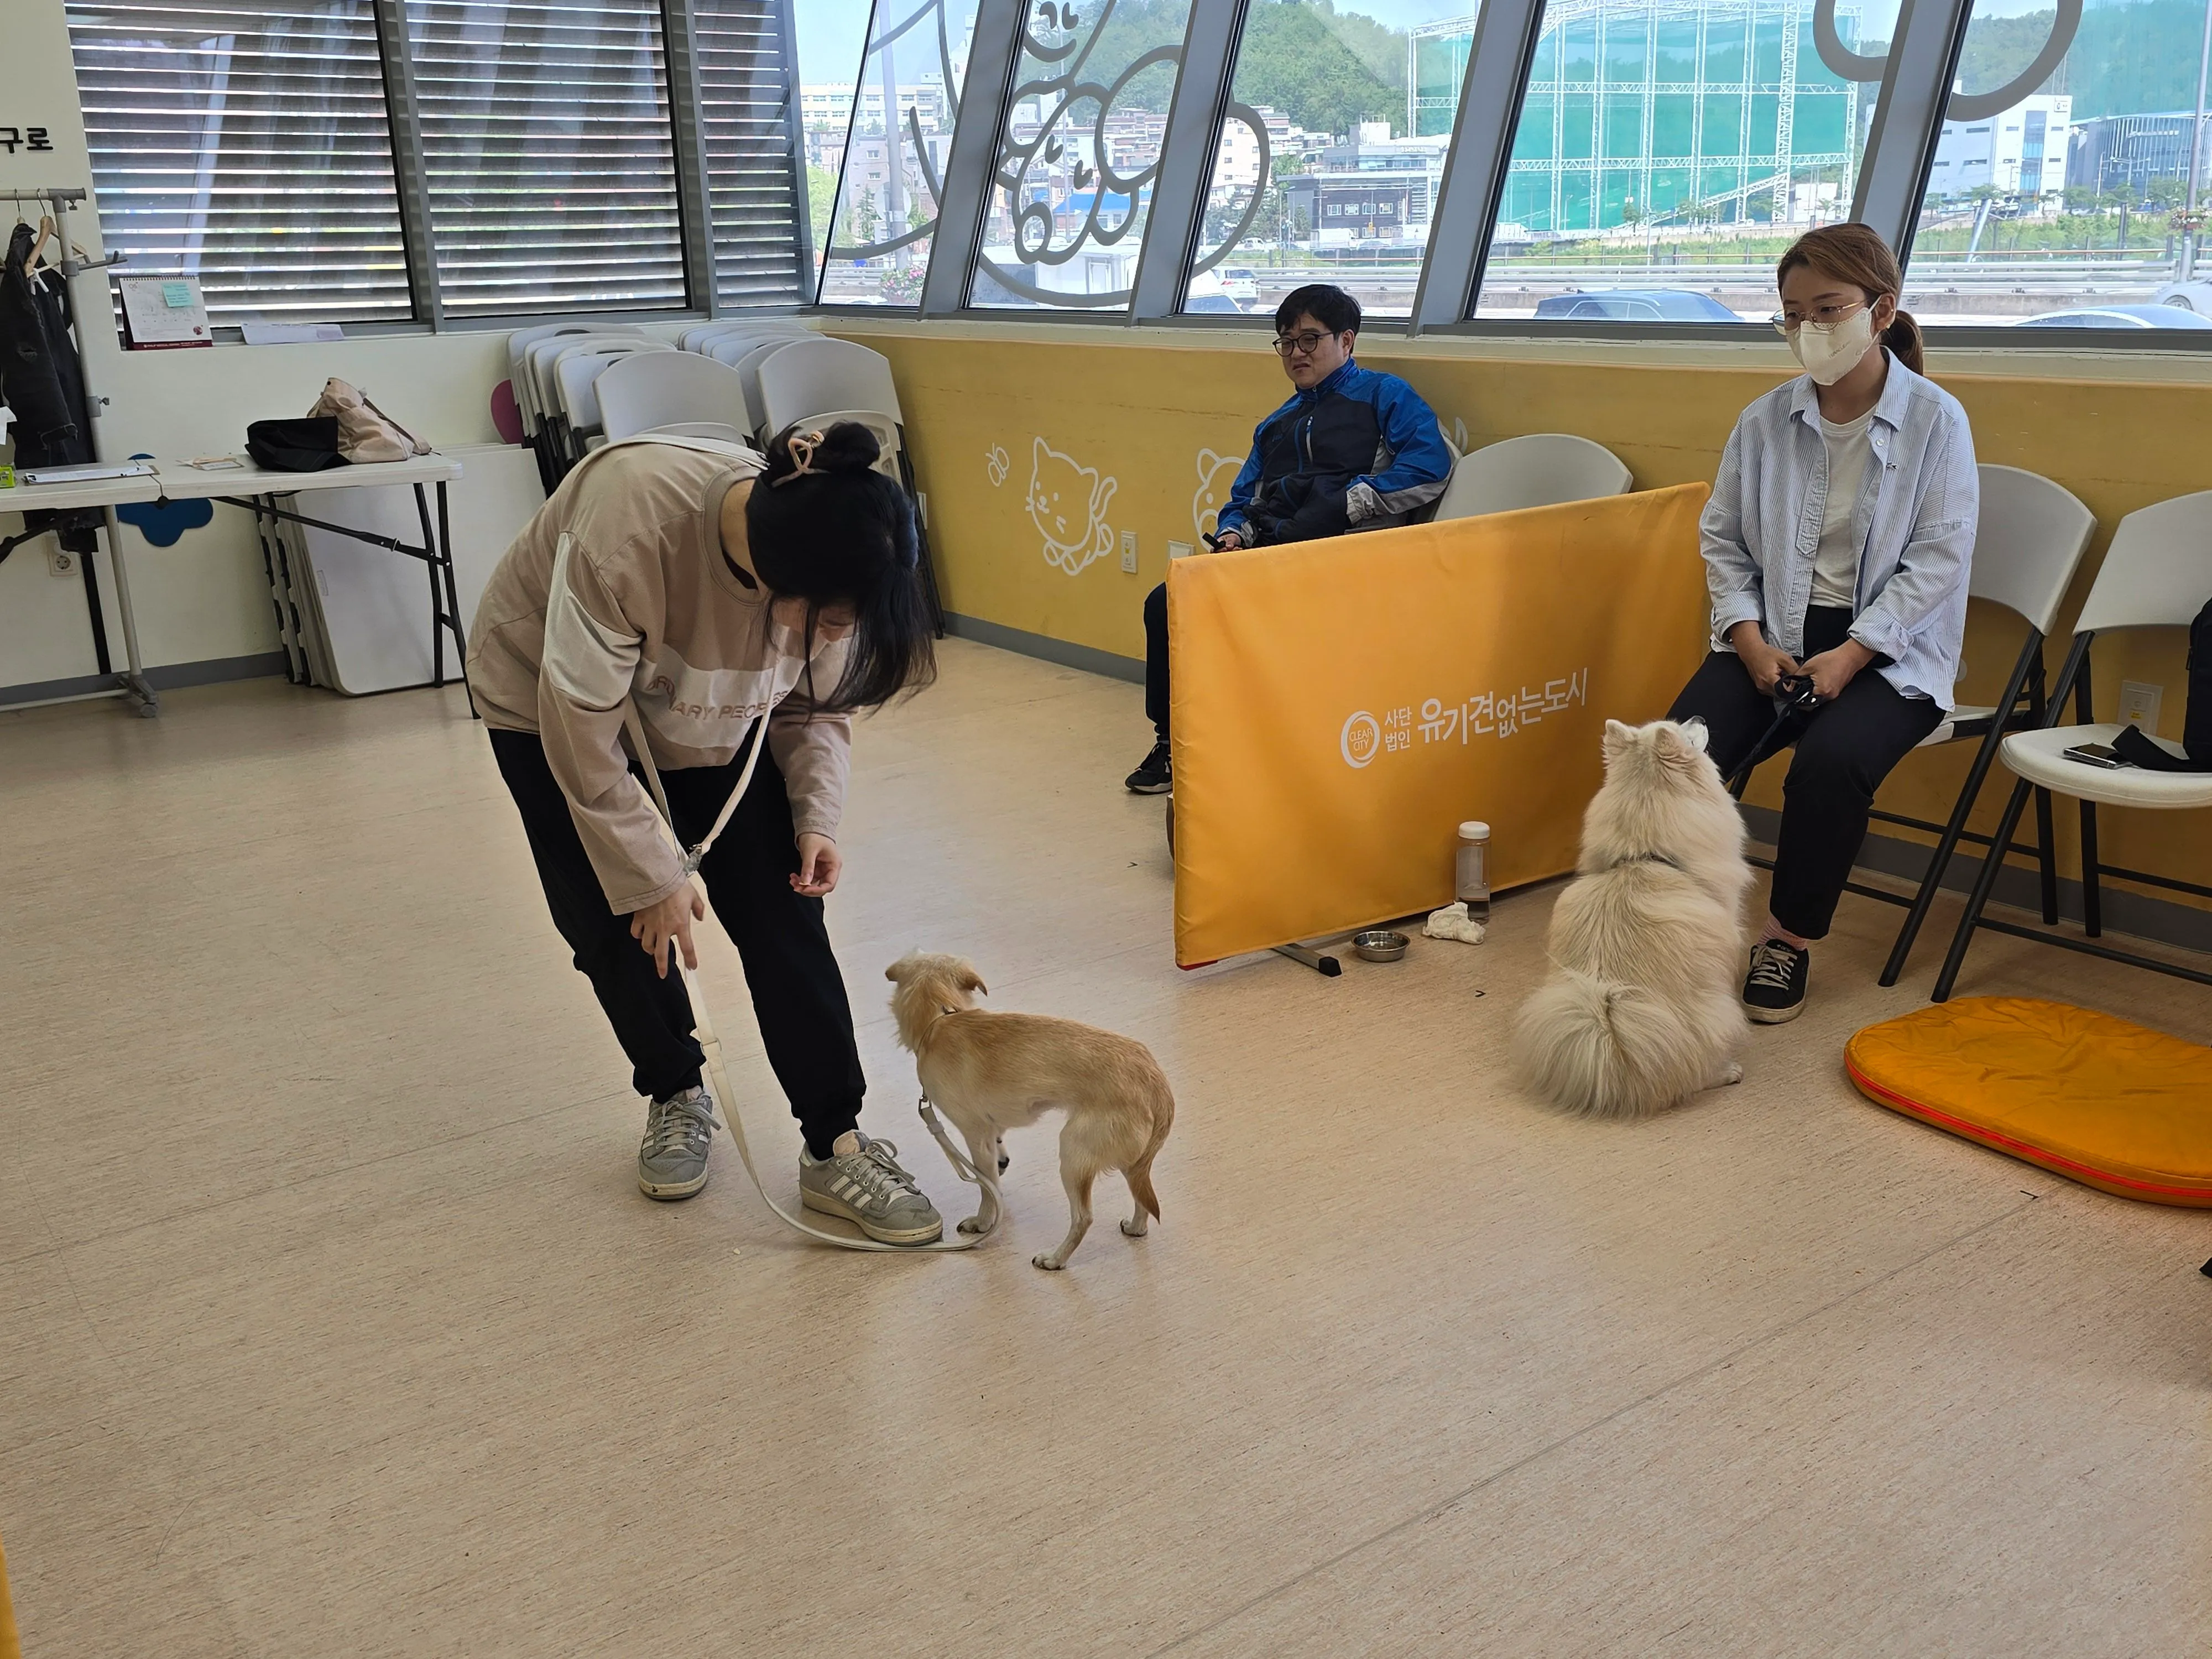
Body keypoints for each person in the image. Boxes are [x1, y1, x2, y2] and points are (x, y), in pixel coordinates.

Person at [467, 423, 949, 1243]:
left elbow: (816, 705)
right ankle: (674, 1092)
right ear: (773, 588)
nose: (840, 636)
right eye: (831, 623)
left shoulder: (838, 559)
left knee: (783, 914)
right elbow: (581, 731)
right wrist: (651, 876)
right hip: (551, 709)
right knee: (618, 924)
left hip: (708, 709)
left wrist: (813, 817)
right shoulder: (631, 530)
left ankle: (834, 1144)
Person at [1670, 223, 1976, 1024]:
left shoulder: (1937, 423)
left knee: (1828, 766)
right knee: (1675, 750)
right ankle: (1665, 927)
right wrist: (1747, 638)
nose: (1811, 330)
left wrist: (1851, 655)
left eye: (1829, 309)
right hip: (1770, 632)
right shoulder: (1765, 420)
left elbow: (1938, 562)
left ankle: (1787, 939)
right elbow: (1723, 538)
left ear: (1882, 311)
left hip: (1890, 650)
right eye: (1794, 314)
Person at [1124, 284, 1453, 794]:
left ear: (1347, 340)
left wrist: (1350, 502)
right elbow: (1243, 497)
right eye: (1286, 343)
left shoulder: (1386, 396)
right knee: (1167, 603)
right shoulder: (1276, 424)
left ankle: (1276, 747)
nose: (1296, 353)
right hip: (1272, 551)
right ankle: (1173, 741)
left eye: (1309, 339)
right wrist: (1234, 533)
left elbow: (1430, 467)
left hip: (1345, 553)